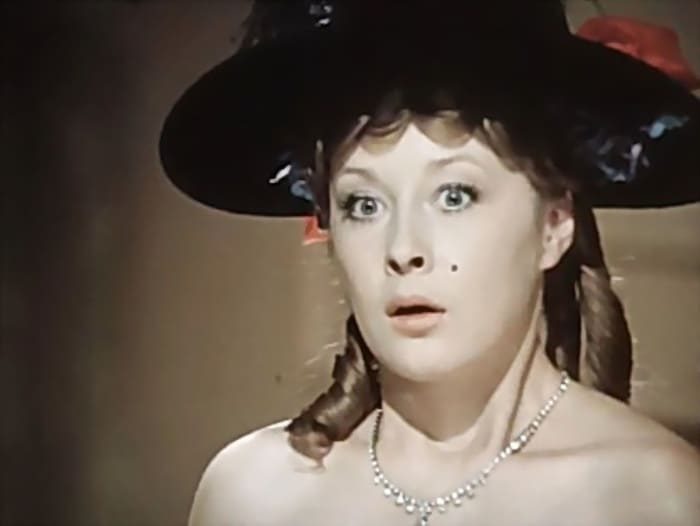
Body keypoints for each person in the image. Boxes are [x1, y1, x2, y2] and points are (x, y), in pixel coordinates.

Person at [159, 1, 700, 525]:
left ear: (555, 225)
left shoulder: (655, 498)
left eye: (455, 196)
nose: (403, 250)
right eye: (364, 205)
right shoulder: (253, 495)